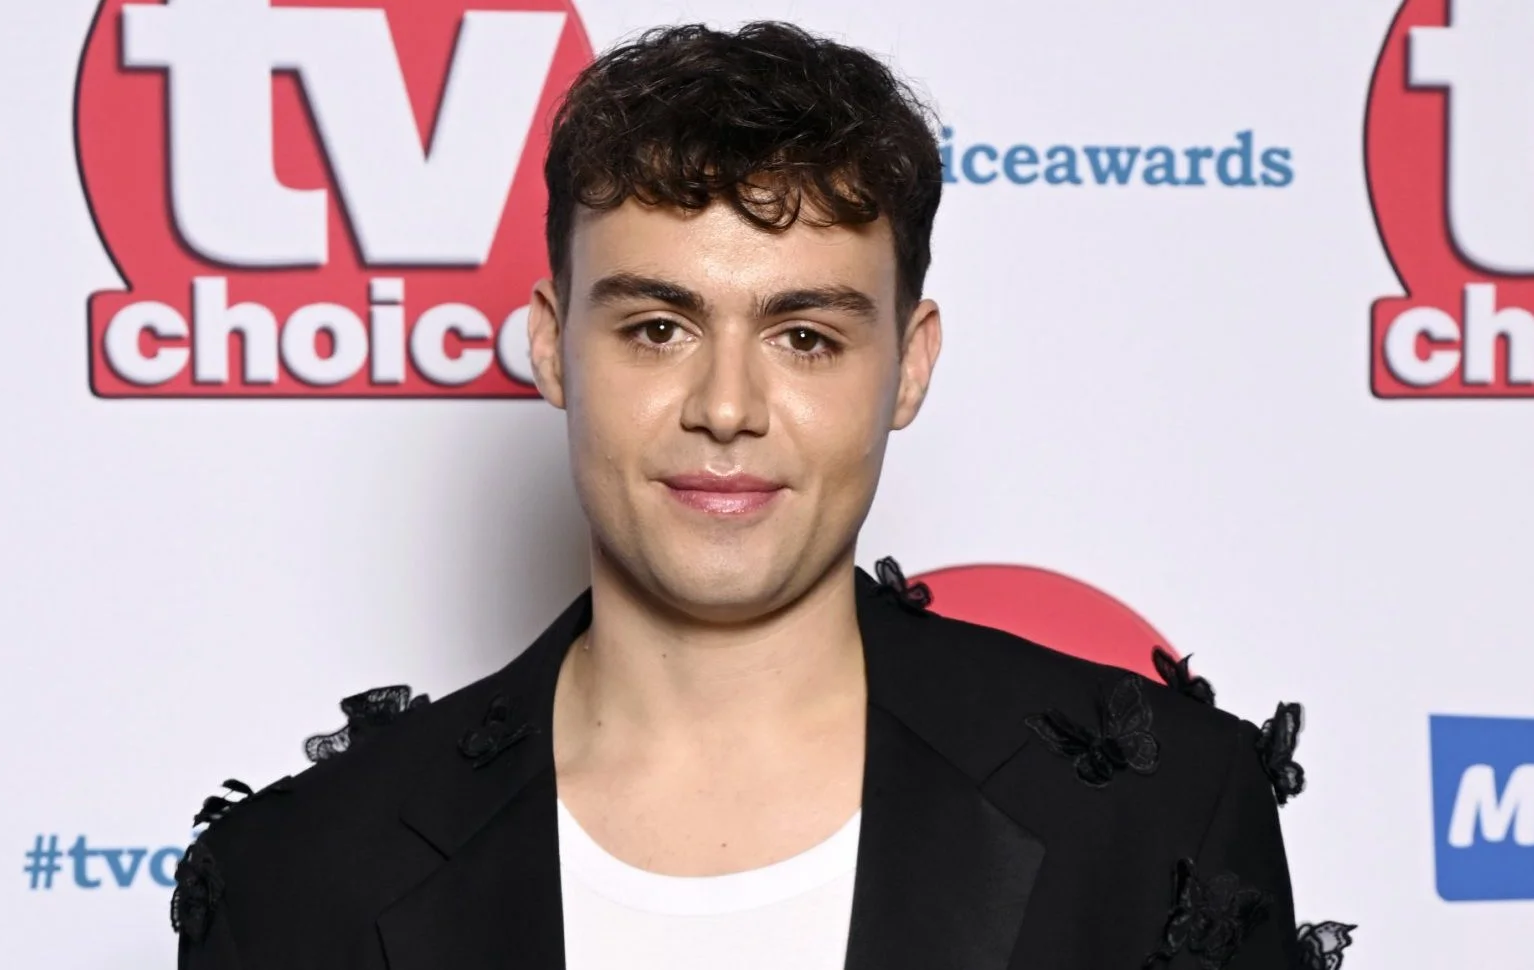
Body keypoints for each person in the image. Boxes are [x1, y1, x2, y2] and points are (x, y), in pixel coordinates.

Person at [172, 21, 1330, 970]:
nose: (726, 405)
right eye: (658, 327)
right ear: (553, 348)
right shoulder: (299, 878)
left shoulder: (1157, 819)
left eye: (807, 336)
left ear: (909, 365)